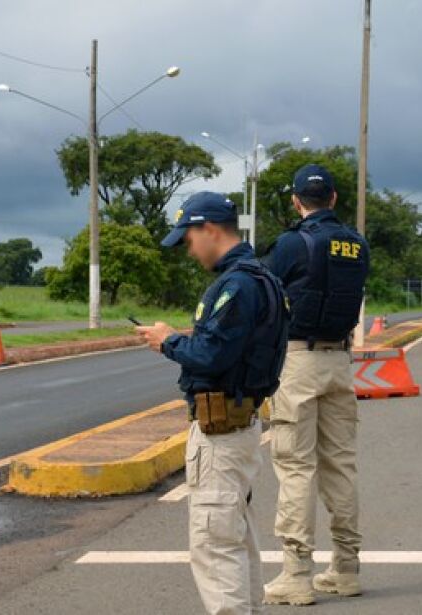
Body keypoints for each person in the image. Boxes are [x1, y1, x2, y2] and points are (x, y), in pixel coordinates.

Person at [137, 191, 288, 615]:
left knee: (215, 546)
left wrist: (168, 340)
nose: (188, 247)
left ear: (210, 229)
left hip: (221, 431)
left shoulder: (236, 285)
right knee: (235, 538)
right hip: (241, 423)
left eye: (188, 237)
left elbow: (210, 355)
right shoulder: (263, 278)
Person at [260, 164, 370, 605]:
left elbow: (265, 296)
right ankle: (346, 568)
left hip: (299, 361)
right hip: (340, 361)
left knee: (295, 466)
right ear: (335, 198)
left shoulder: (291, 244)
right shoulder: (357, 245)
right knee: (340, 464)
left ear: (296, 200)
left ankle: (297, 574)